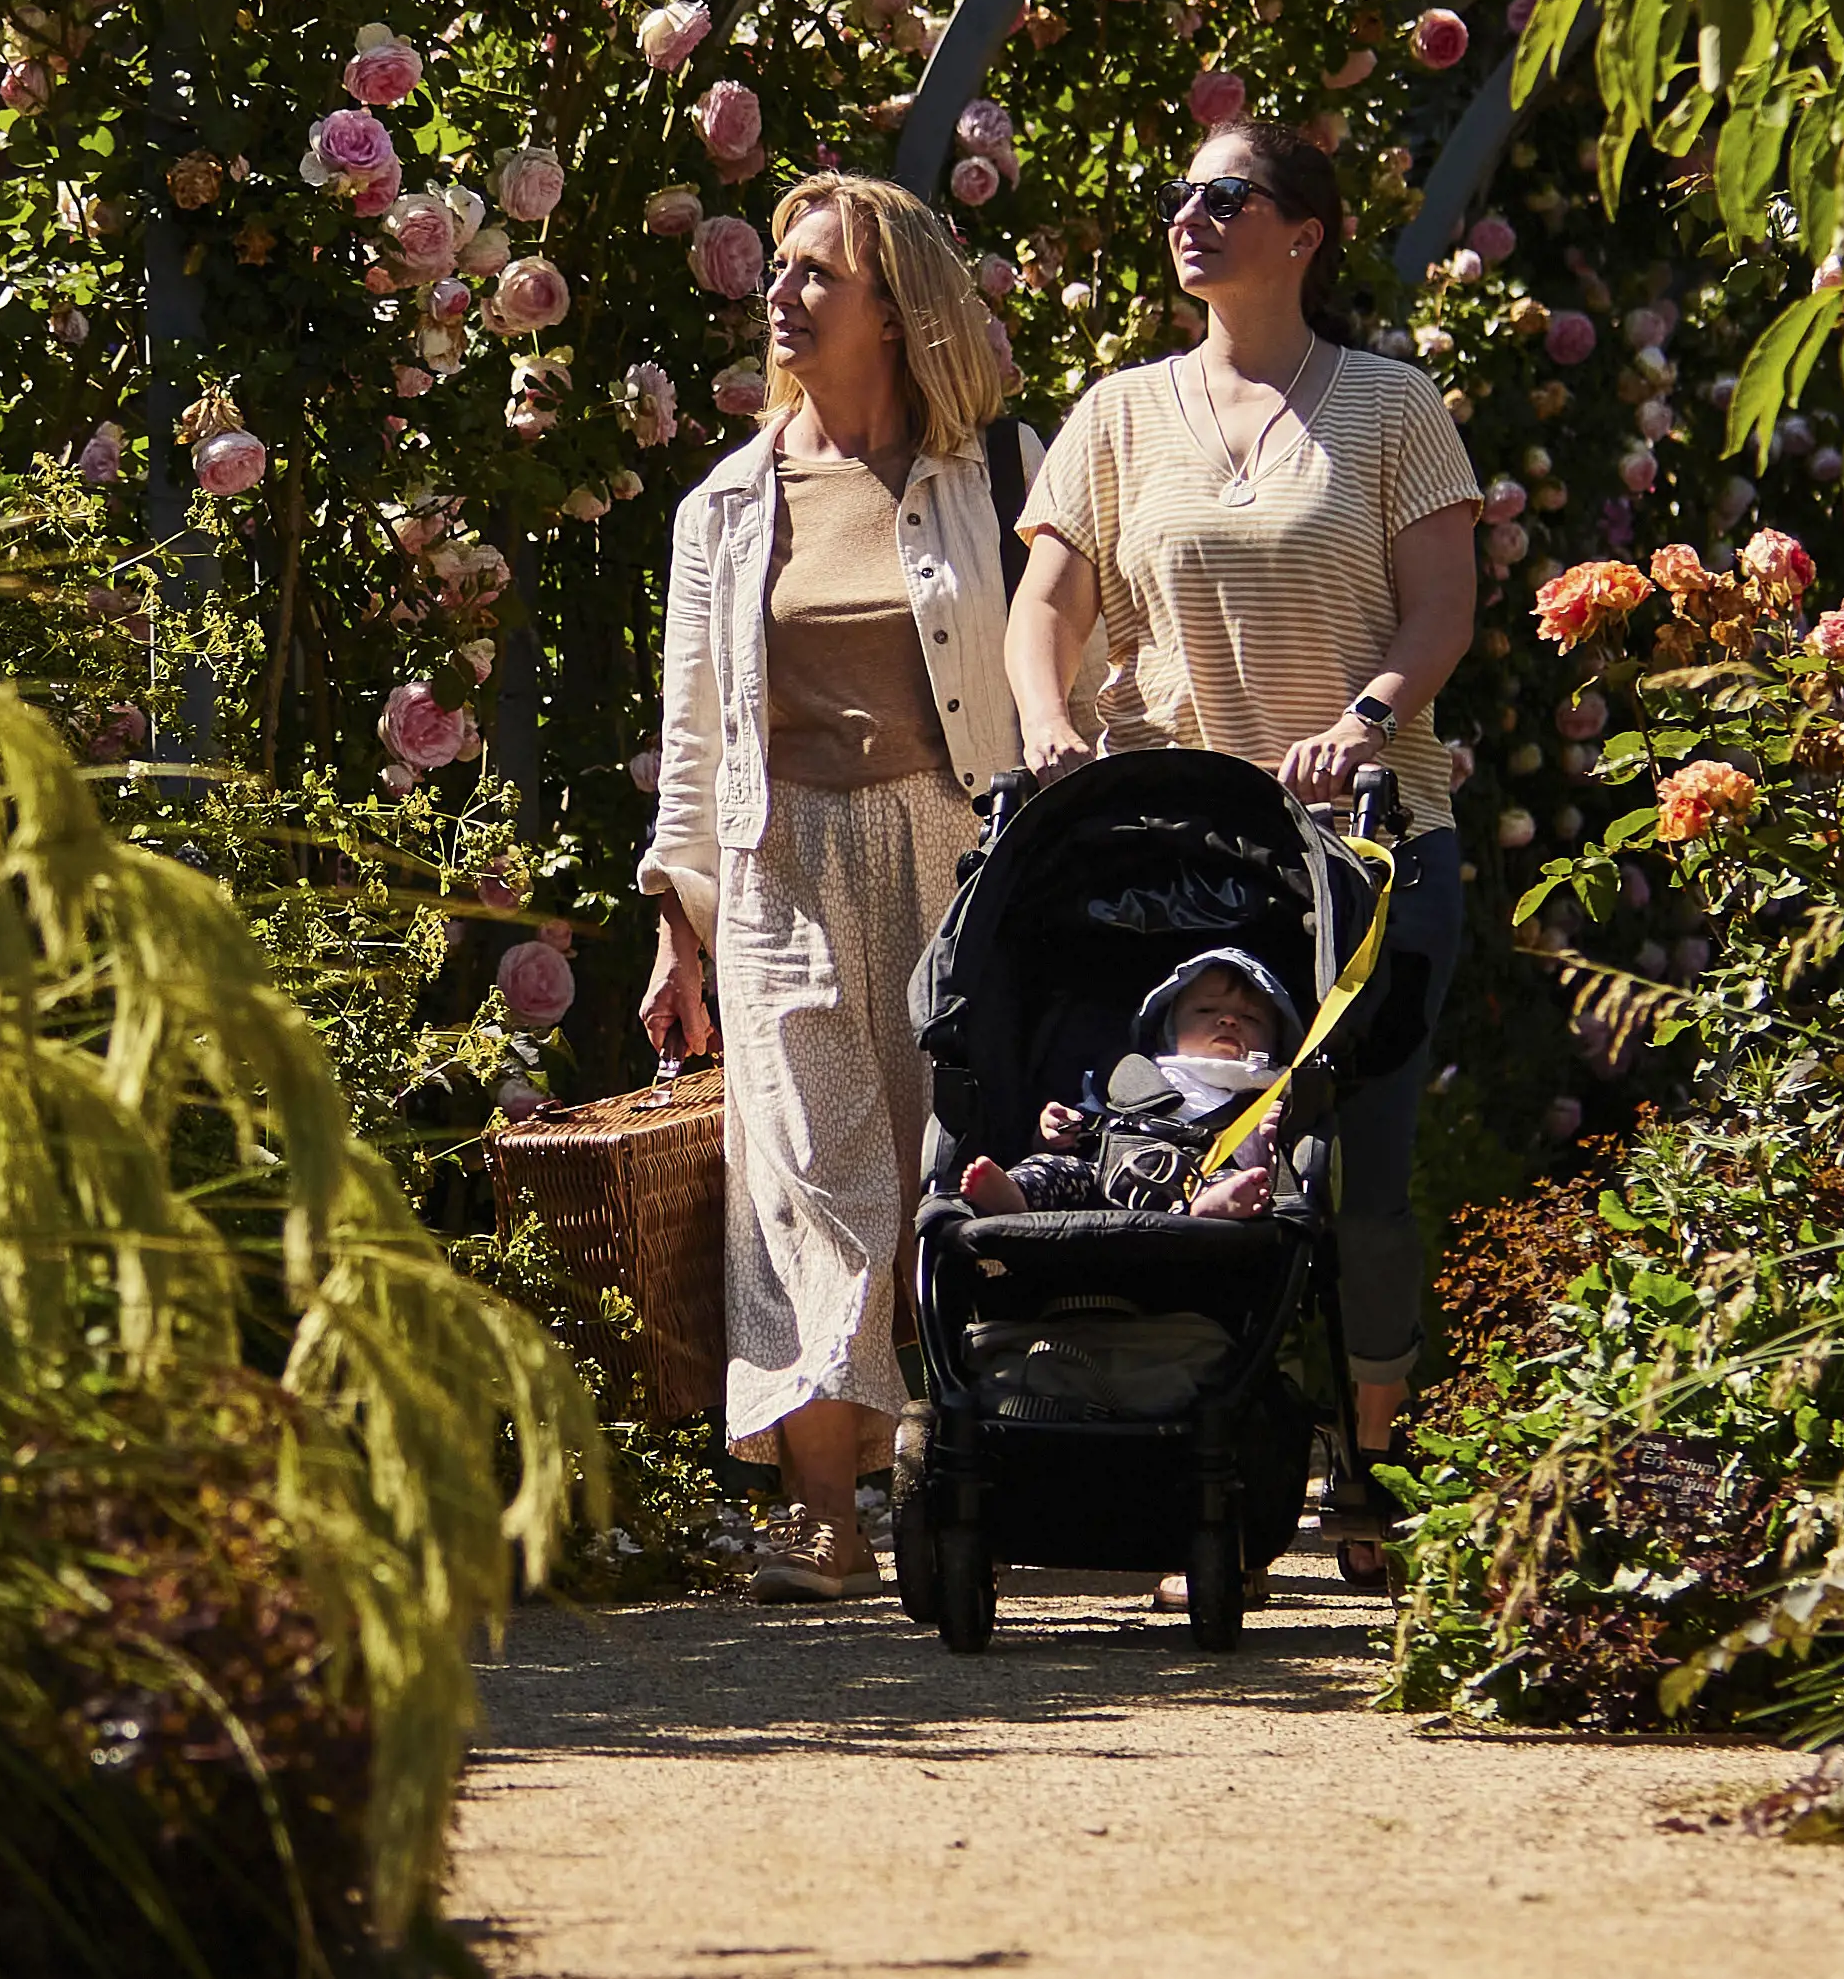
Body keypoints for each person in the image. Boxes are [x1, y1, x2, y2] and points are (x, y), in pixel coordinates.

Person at [1011, 118, 1490, 1486]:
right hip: (1179, 859)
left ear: (1303, 233)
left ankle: (1374, 1467)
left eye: (1228, 195)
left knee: (1364, 1175)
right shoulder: (1114, 414)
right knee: (1180, 1150)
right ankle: (1202, 1450)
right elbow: (1045, 605)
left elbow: (1442, 607)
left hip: (1369, 849)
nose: (1192, 216)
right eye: (1181, 194)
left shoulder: (1392, 406)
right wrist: (1049, 727)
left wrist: (1363, 720)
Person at [633, 167, 1027, 1593]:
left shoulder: (989, 480)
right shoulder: (726, 506)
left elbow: (1059, 676)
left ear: (894, 305)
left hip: (957, 842)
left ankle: (977, 1461)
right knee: (808, 1170)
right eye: (780, 270)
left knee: (959, 1158)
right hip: (779, 857)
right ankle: (827, 1518)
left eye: (816, 275)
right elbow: (689, 734)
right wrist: (677, 926)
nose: (781, 296)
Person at [961, 948, 1293, 1214]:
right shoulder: (1133, 1070)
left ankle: (1213, 1206)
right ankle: (1016, 1193)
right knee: (1055, 1169)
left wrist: (1270, 1142)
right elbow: (1083, 1124)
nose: (1228, 1020)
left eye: (1250, 1018)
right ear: (1168, 1032)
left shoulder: (1266, 1095)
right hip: (1107, 1169)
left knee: (1239, 1181)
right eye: (1206, 1011)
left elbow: (1273, 1169)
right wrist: (1052, 1131)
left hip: (1199, 1176)